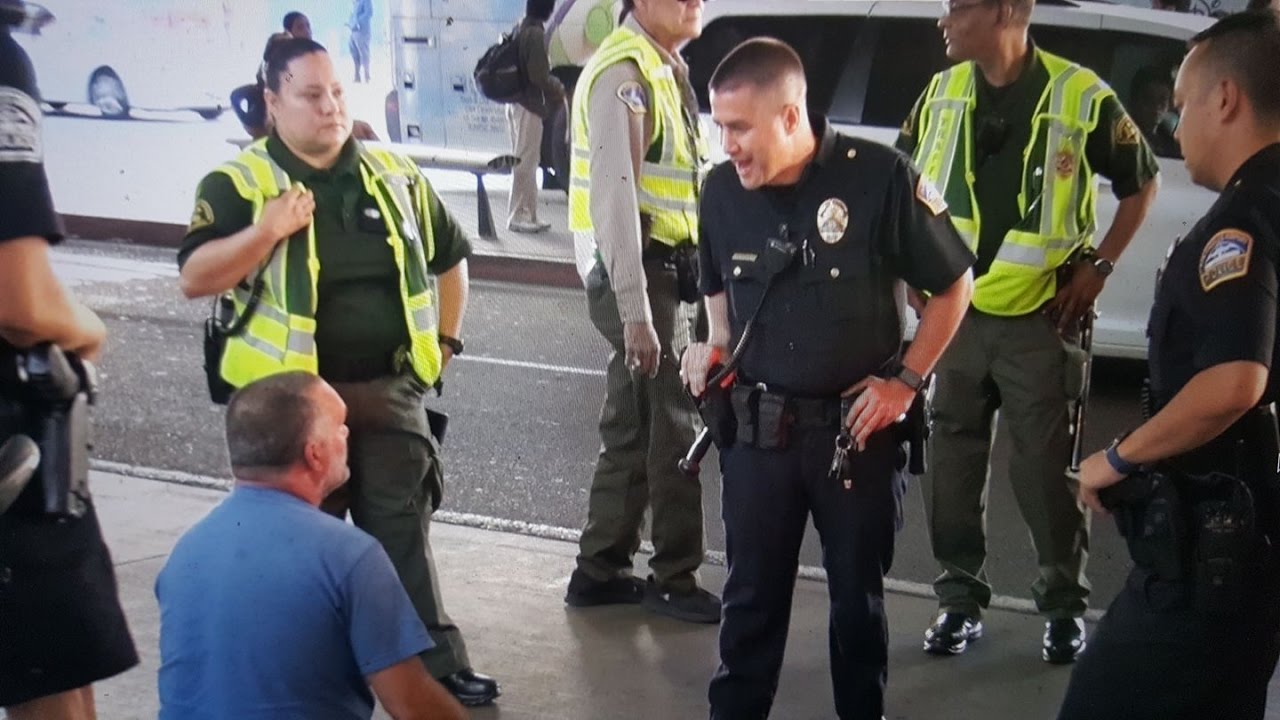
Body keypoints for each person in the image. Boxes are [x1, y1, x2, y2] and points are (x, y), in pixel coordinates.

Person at [176, 37, 498, 707]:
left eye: (337, 94)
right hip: (290, 410)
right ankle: (307, 671)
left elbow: (451, 258)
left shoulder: (393, 174)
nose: (330, 109)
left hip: (387, 390)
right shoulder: (241, 182)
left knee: (402, 532)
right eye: (311, 95)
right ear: (272, 102)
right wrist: (265, 231)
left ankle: (432, 669)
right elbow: (196, 277)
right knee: (296, 551)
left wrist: (443, 342)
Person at [686, 37, 975, 720]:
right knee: (749, 605)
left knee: (857, 607)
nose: (726, 144)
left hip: (857, 438)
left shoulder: (878, 177)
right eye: (718, 126)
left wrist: (905, 380)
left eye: (739, 127)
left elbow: (955, 283)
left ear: (790, 117)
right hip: (759, 435)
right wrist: (714, 346)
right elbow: (716, 292)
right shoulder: (721, 190)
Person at [896, 0, 1160, 663]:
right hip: (952, 320)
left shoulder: (1080, 94)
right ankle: (959, 603)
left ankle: (1064, 608)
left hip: (1040, 321)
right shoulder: (942, 90)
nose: (944, 21)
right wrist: (906, 264)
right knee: (950, 471)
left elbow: (1142, 183)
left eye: (958, 7)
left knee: (1045, 475)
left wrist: (1099, 267)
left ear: (1008, 10)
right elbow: (900, 182)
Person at [1058, 11, 1280, 719]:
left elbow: (1234, 382)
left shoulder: (1241, 223)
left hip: (1211, 554)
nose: (1175, 128)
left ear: (1226, 99)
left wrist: (1118, 459)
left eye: (1182, 108)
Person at [157, 373, 467, 720]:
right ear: (315, 454)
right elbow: (412, 703)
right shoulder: (349, 556)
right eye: (340, 427)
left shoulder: (188, 550)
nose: (348, 434)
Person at [0, 1, 139, 717]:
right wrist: (84, 327)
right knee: (51, 685)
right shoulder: (3, 63)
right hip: (13, 463)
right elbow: (20, 301)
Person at [565, 0, 720, 624]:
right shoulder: (624, 76)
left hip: (664, 273)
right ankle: (675, 578)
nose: (695, 2)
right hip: (641, 275)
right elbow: (616, 200)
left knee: (632, 424)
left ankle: (599, 568)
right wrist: (636, 312)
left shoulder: (663, 69)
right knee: (676, 420)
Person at [506, 0, 565, 234]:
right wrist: (560, 90)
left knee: (525, 159)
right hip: (529, 106)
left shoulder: (520, 27)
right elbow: (539, 76)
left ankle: (529, 213)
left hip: (517, 104)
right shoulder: (536, 34)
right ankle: (518, 214)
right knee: (526, 160)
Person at [1129, 65, 1181, 158]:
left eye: (1162, 99)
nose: (1156, 106)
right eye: (1148, 98)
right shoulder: (1124, 137)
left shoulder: (1169, 141)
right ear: (1134, 101)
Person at [348, 0, 373, 84]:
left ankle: (367, 76)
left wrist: (358, 22)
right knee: (353, 52)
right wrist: (351, 23)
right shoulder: (354, 2)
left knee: (364, 53)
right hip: (353, 31)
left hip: (362, 31)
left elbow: (369, 13)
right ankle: (357, 75)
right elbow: (352, 14)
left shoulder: (366, 1)